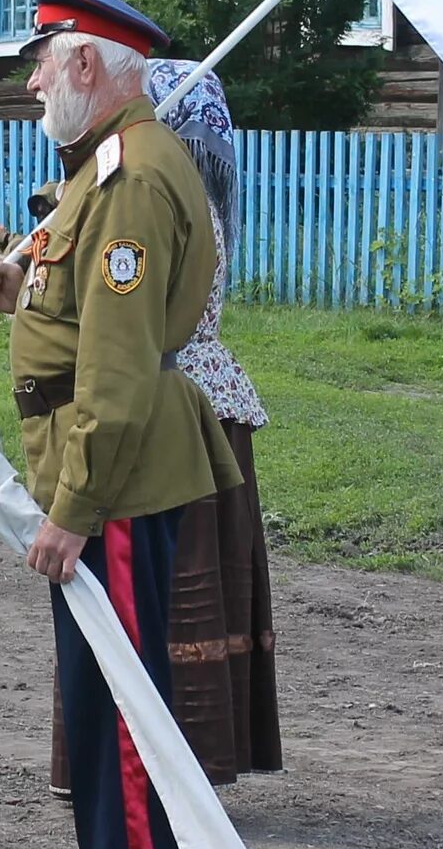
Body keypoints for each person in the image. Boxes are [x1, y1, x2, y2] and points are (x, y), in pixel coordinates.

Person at [0, 0, 240, 849]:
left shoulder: (130, 180)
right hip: (104, 472)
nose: (32, 81)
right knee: (96, 698)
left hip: (113, 482)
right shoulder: (104, 170)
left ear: (85, 65)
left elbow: (116, 371)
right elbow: (78, 309)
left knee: (119, 705)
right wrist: (15, 288)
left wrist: (72, 512)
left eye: (42, 61)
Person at [39, 58, 284, 796]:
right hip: (182, 403)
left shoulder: (156, 198)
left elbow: (124, 333)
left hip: (169, 411)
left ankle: (158, 784)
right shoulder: (165, 190)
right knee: (150, 605)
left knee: (163, 606)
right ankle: (138, 780)